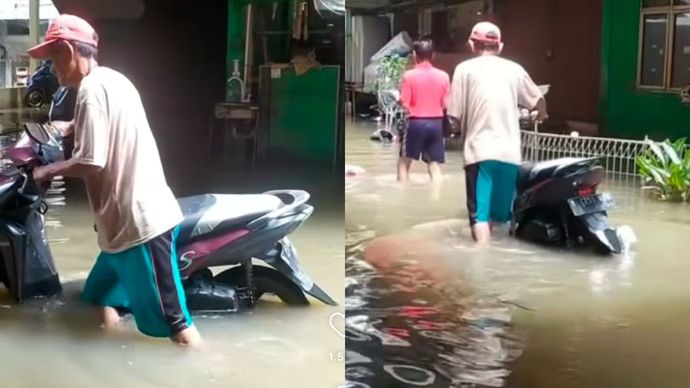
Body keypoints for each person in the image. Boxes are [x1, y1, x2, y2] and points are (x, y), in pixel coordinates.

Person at [27, 14, 201, 346]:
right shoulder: (112, 80)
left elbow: (92, 161)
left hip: (141, 228)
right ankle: (111, 353)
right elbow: (106, 118)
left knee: (176, 324)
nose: (52, 68)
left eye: (52, 58)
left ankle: (209, 371)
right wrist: (68, 127)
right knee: (98, 297)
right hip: (117, 231)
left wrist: (46, 171)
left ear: (67, 50)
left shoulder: (90, 92)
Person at [447, 22, 548, 244]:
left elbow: (453, 116)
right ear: (499, 46)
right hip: (511, 155)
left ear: (471, 44)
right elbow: (539, 102)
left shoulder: (464, 69)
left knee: (480, 219)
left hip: (480, 152)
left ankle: (482, 268)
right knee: (500, 219)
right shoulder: (515, 69)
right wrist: (538, 115)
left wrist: (456, 128)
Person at [398, 37, 450, 183]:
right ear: (433, 55)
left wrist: (399, 100)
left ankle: (402, 193)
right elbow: (446, 105)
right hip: (436, 124)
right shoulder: (444, 76)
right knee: (434, 163)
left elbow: (405, 104)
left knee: (404, 162)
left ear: (414, 55)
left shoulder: (409, 76)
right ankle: (437, 194)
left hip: (415, 123)